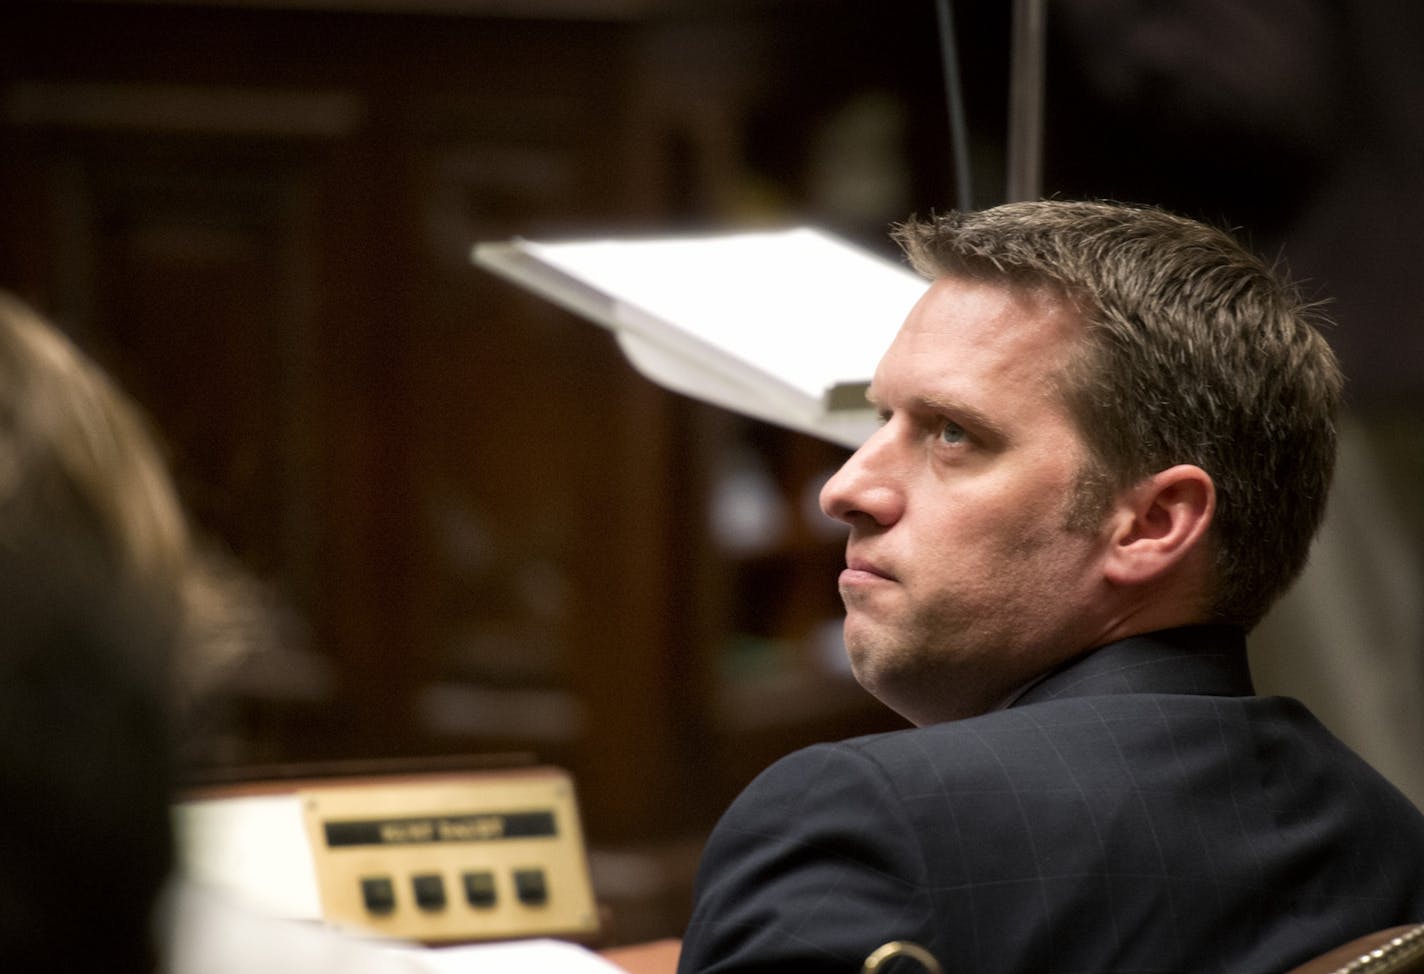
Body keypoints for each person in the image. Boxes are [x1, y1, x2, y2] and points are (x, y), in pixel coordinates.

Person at [676, 199, 1424, 973]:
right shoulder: (1389, 836)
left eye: (953, 433)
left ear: (1153, 524)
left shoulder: (866, 824)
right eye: (879, 420)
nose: (846, 487)